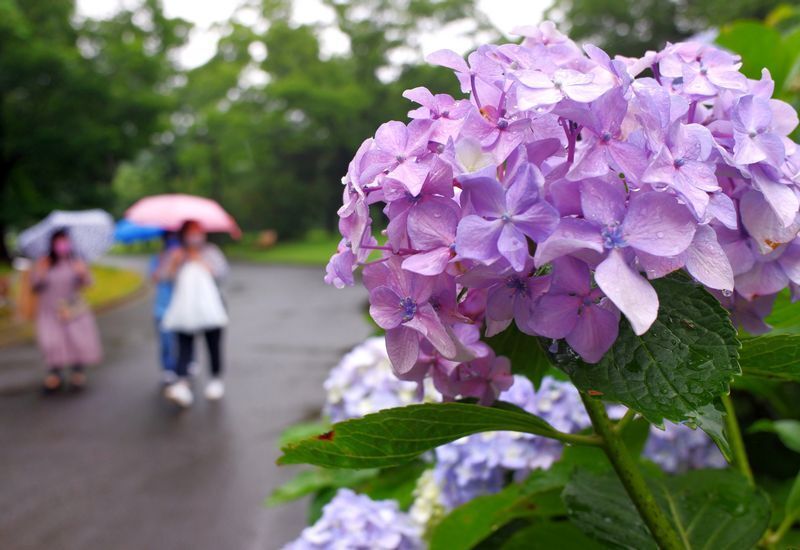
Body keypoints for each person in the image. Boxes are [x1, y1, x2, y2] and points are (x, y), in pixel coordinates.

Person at [161, 220, 229, 407]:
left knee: (213, 345)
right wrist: (175, 262)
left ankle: (215, 379)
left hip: (211, 308)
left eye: (198, 232)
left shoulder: (211, 251)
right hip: (185, 309)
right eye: (191, 232)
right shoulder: (176, 254)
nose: (195, 236)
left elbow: (222, 273)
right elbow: (165, 277)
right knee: (183, 347)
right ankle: (182, 383)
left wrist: (200, 260)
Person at [31, 229, 102, 392]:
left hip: (72, 309)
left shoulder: (76, 262)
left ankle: (77, 373)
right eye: (59, 241)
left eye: (65, 241)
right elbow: (34, 286)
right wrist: (40, 273)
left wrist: (82, 273)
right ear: (52, 244)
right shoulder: (44, 262)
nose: (62, 245)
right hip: (50, 310)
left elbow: (88, 283)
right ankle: (54, 374)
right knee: (52, 343)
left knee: (76, 340)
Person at [149, 231, 186, 385]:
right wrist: (171, 264)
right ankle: (168, 369)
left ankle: (184, 366)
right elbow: (156, 278)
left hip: (182, 307)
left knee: (183, 340)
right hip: (163, 307)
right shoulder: (157, 259)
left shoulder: (185, 258)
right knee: (166, 342)